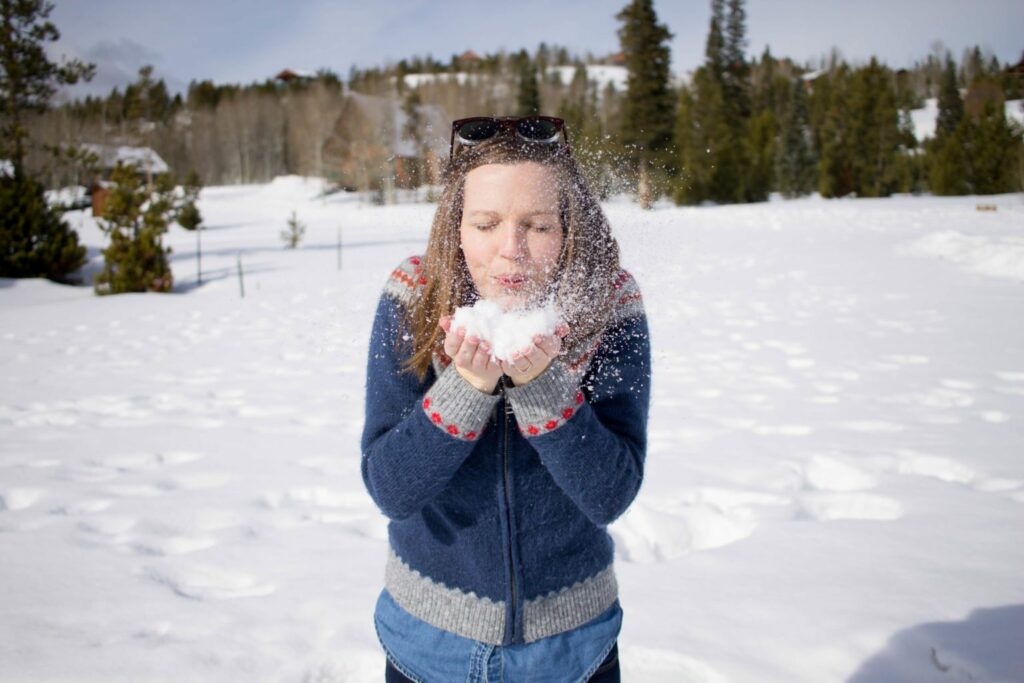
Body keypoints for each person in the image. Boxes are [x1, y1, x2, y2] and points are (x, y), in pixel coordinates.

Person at [361, 115, 650, 682]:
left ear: (570, 225)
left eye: (538, 225)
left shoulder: (609, 303)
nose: (510, 250)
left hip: (573, 651)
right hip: (428, 646)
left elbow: (610, 494)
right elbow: (390, 488)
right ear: (456, 226)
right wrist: (466, 390)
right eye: (487, 223)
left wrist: (543, 388)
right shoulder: (414, 297)